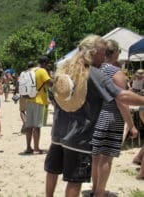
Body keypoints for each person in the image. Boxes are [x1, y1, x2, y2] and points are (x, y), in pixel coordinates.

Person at [45, 34, 144, 197]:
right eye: (102, 52)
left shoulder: (64, 67)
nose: (104, 57)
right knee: (74, 180)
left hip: (58, 131)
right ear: (93, 52)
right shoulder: (93, 73)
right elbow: (122, 96)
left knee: (52, 170)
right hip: (79, 135)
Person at [91, 39, 138, 196]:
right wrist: (131, 125)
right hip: (111, 117)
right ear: (115, 52)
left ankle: (95, 189)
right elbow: (121, 101)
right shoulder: (116, 72)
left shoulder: (96, 70)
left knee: (96, 156)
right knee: (107, 157)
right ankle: (100, 192)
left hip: (96, 116)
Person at [24, 56, 53, 154]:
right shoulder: (42, 71)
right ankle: (36, 148)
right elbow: (50, 84)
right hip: (39, 101)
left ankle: (28, 147)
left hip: (29, 100)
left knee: (29, 126)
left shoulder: (30, 70)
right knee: (37, 126)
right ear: (44, 62)